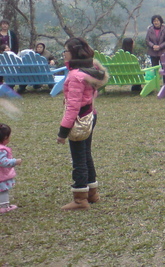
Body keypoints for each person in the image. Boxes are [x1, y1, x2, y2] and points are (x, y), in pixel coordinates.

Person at [57, 37, 108, 211]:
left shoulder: (75, 76)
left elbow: (73, 107)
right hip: (90, 116)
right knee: (86, 154)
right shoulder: (90, 70)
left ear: (73, 53)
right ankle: (92, 193)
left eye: (66, 51)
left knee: (78, 158)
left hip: (79, 120)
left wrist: (63, 131)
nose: (64, 54)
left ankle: (80, 199)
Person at [0, 123, 22, 213]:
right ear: (5, 138)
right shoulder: (1, 150)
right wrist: (14, 161)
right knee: (3, 190)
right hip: (1, 175)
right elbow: (2, 162)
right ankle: (4, 206)